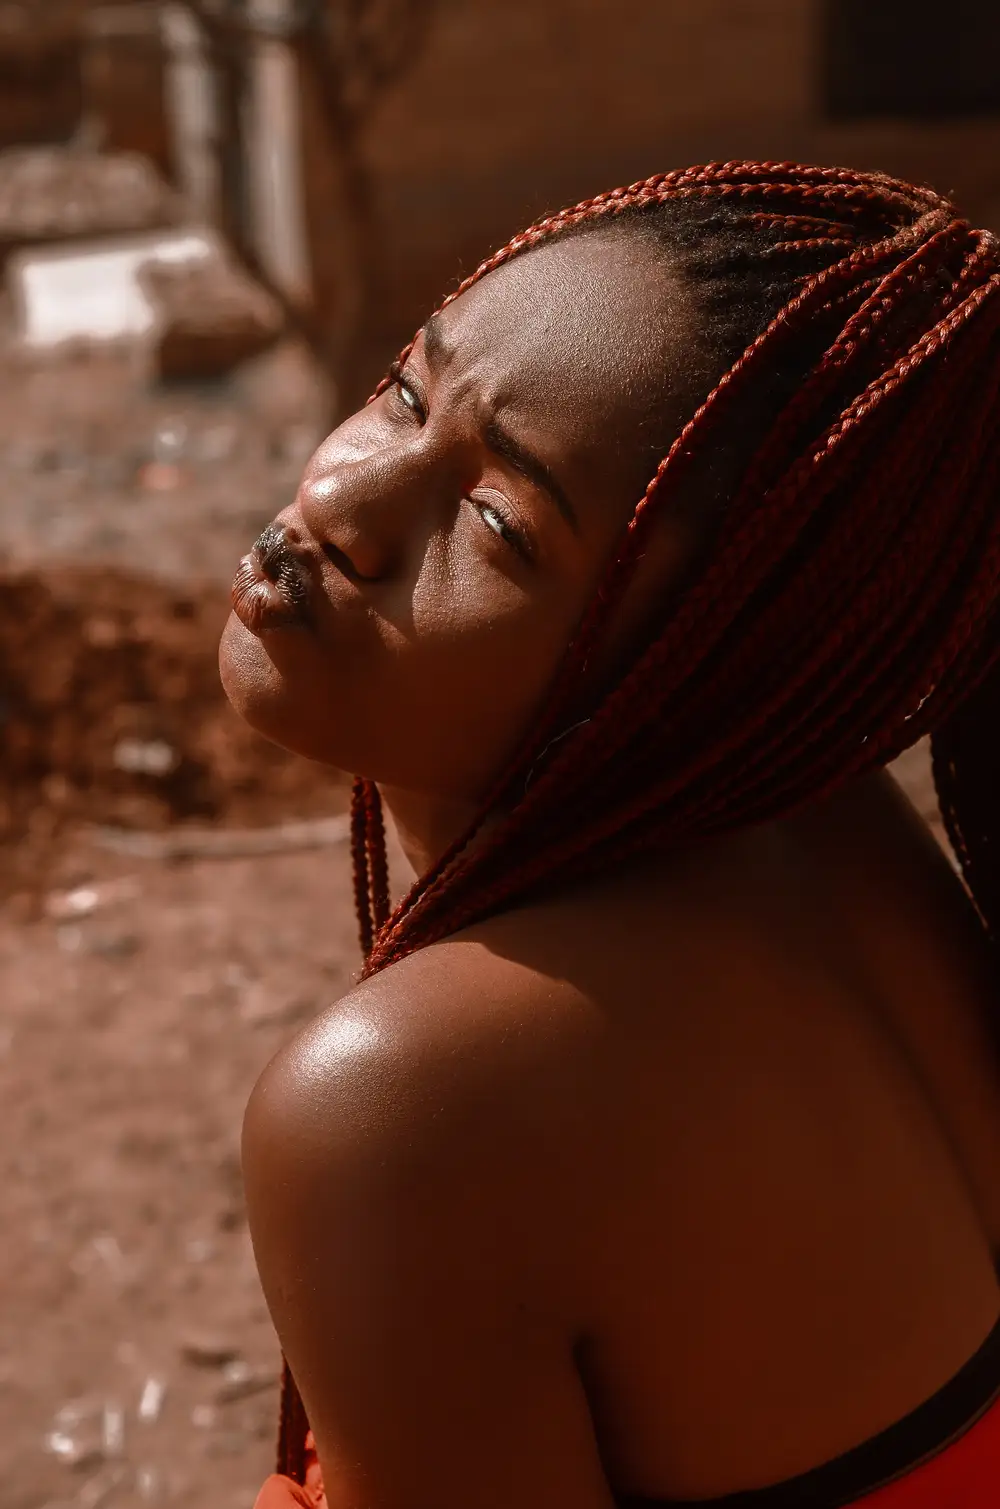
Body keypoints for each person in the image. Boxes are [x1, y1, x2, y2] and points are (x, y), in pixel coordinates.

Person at [219, 161, 1000, 1508]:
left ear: (704, 665)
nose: (342, 503)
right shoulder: (839, 841)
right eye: (409, 389)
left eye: (495, 522)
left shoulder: (412, 1107)